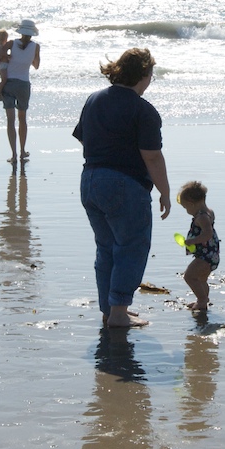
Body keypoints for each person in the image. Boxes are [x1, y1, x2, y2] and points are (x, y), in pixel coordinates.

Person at [73, 48, 171, 328]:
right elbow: (152, 155)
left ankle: (109, 310)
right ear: (143, 75)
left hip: (90, 180)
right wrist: (164, 191)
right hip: (124, 184)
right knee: (132, 246)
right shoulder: (143, 110)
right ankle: (118, 312)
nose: (151, 79)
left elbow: (84, 137)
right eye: (151, 74)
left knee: (106, 248)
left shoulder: (94, 100)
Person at [1, 19, 40, 164]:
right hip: (23, 85)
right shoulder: (36, 47)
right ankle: (23, 151)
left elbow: (0, 56)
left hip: (9, 84)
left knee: (10, 120)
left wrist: (10, 58)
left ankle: (14, 155)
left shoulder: (11, 44)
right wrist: (27, 59)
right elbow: (36, 65)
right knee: (22, 119)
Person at [177, 180, 220, 312]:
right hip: (211, 255)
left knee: (189, 276)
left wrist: (192, 241)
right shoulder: (209, 212)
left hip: (205, 256)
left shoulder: (201, 217)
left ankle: (202, 300)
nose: (187, 211)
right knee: (201, 279)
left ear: (192, 204)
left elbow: (207, 234)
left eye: (186, 208)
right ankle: (202, 300)